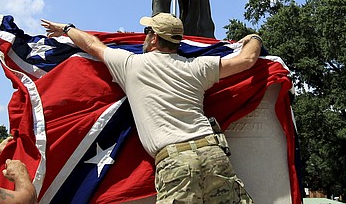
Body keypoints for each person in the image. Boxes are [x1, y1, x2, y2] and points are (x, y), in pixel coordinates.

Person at [41, 12, 261, 203]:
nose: (145, 36)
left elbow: (93, 45)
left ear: (154, 38)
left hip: (176, 163)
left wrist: (67, 29)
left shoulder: (130, 64)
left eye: (147, 31)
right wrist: (253, 37)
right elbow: (248, 58)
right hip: (213, 155)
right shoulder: (198, 67)